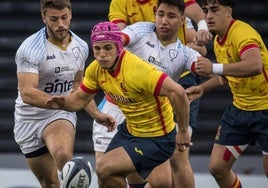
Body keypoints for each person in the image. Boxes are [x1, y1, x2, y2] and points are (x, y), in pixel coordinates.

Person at [46, 21, 192, 188]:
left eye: (108, 48)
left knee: (106, 168)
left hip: (158, 138)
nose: (102, 54)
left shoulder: (137, 70)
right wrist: (62, 103)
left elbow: (178, 93)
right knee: (105, 177)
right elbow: (79, 99)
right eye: (97, 48)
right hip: (131, 131)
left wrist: (182, 131)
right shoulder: (95, 69)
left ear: (119, 48)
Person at [92, 0, 210, 187]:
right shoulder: (140, 29)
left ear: (181, 20)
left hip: (158, 110)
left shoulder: (184, 53)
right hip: (120, 103)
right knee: (106, 171)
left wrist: (205, 84)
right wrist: (105, 46)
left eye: (170, 16)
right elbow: (118, 38)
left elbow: (206, 61)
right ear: (155, 13)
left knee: (173, 166)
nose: (163, 20)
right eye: (160, 15)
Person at [186, 0, 268, 187]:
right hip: (239, 111)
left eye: (215, 10)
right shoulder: (218, 39)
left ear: (229, 12)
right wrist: (202, 89)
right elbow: (227, 75)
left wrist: (213, 67)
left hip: (266, 111)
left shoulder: (242, 33)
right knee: (217, 168)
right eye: (206, 11)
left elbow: (255, 66)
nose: (208, 16)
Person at [13, 0, 89, 187]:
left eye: (64, 17)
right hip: (28, 119)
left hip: (59, 113)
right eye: (54, 19)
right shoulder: (30, 49)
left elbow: (78, 84)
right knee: (50, 183)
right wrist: (55, 101)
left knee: (63, 155)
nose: (61, 24)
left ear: (70, 14)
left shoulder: (81, 46)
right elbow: (27, 92)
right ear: (43, 17)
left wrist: (96, 114)